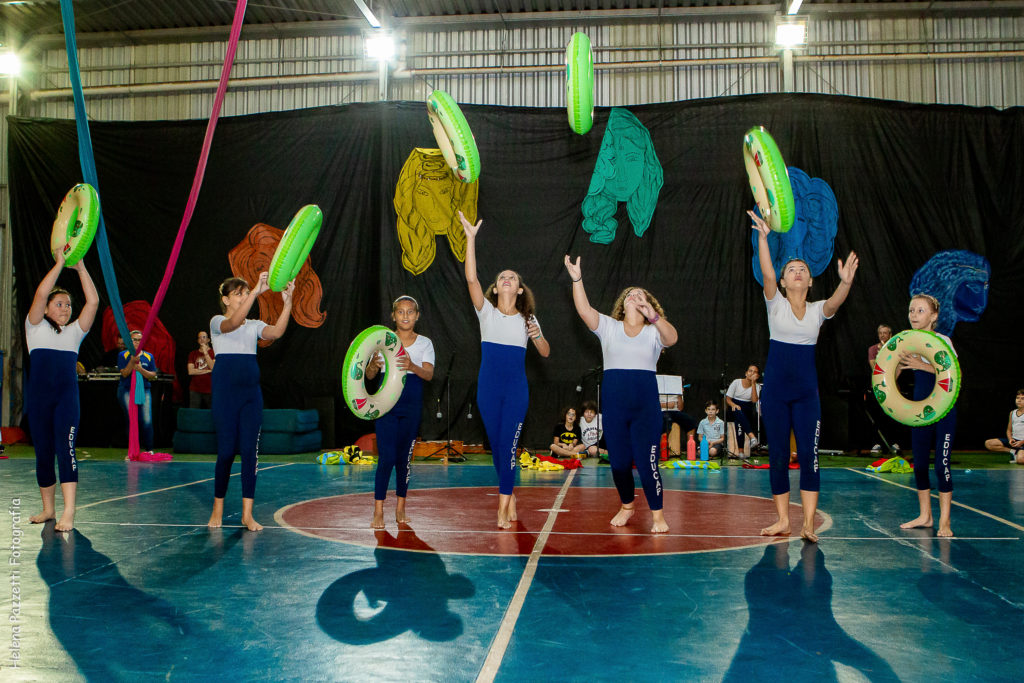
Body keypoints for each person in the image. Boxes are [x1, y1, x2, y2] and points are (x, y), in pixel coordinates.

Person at [750, 209, 858, 543]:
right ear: (783, 282)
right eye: (791, 270)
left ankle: (808, 524)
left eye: (803, 270)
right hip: (776, 395)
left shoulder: (816, 312)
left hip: (806, 396)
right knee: (779, 457)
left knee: (810, 458)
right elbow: (767, 273)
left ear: (810, 282)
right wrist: (763, 239)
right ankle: (783, 520)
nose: (797, 272)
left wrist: (846, 282)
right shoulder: (775, 305)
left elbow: (835, 304)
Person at [564, 255, 678, 533]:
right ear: (622, 304)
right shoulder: (609, 328)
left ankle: (658, 515)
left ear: (648, 303)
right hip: (615, 409)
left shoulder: (653, 331)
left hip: (645, 410)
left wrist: (653, 315)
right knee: (619, 463)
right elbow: (584, 310)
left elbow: (672, 338)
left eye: (639, 294)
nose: (633, 296)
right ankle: (627, 506)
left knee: (649, 462)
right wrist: (577, 279)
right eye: (629, 294)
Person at [460, 211, 550, 529]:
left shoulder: (527, 320)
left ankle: (502, 507)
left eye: (512, 278)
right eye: (501, 278)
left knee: (510, 446)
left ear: (520, 290)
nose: (506, 280)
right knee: (498, 448)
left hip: (515, 390)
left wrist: (536, 335)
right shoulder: (486, 314)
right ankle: (510, 495)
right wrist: (470, 239)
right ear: (496, 290)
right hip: (487, 389)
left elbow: (545, 351)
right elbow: (471, 279)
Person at [207, 272, 294, 532]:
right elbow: (233, 323)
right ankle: (217, 508)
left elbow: (276, 332)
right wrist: (256, 291)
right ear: (226, 299)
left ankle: (247, 514)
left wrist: (287, 302)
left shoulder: (253, 325)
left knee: (249, 453)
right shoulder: (218, 322)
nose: (245, 296)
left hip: (250, 397)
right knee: (225, 453)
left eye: (246, 293)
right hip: (225, 396)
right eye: (239, 294)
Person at [26, 252, 99, 532]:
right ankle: (48, 509)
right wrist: (58, 265)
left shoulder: (74, 333)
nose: (66, 308)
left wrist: (80, 268)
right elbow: (41, 292)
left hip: (66, 402)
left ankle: (69, 511)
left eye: (68, 304)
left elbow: (92, 301)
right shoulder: (35, 327)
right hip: (40, 401)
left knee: (66, 451)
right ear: (46, 308)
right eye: (59, 304)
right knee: (43, 454)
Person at [364, 296, 435, 529]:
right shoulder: (384, 341)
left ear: (417, 316)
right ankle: (378, 511)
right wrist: (373, 365)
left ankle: (401, 507)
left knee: (404, 460)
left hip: (411, 407)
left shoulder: (425, 343)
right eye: (400, 312)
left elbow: (429, 374)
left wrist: (411, 365)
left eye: (410, 312)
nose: (405, 316)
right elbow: (371, 376)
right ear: (393, 316)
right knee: (386, 458)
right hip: (386, 407)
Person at [898, 294, 958, 536]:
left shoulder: (943, 341)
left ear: (933, 316)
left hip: (944, 410)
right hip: (920, 410)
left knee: (941, 466)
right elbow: (891, 378)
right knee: (920, 465)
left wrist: (920, 364)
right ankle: (925, 516)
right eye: (911, 310)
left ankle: (945, 521)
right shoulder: (908, 341)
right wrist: (889, 360)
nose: (913, 314)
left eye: (920, 311)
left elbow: (952, 373)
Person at [117, 329, 158, 454]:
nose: (136, 342)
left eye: (139, 340)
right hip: (127, 390)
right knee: (132, 419)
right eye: (134, 340)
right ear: (129, 341)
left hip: (144, 390)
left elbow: (152, 375)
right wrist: (132, 361)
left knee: (146, 419)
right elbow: (124, 373)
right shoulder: (123, 355)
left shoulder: (148, 356)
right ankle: (132, 450)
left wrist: (140, 369)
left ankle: (149, 449)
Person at [725, 363, 761, 458]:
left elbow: (754, 400)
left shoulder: (757, 386)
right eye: (750, 371)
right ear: (746, 373)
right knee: (738, 413)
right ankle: (752, 437)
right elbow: (728, 399)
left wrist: (753, 383)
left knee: (739, 419)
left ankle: (741, 452)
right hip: (734, 407)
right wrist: (734, 405)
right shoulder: (736, 382)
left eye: (755, 372)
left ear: (757, 376)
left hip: (747, 409)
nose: (752, 373)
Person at [984, 390, 1024, 464]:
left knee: (1021, 460)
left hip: (1022, 443)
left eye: (1022, 398)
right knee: (988, 443)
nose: (1019, 400)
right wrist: (1010, 439)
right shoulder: (1012, 413)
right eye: (1018, 398)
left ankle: (1020, 454)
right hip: (1014, 441)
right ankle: (1014, 452)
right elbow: (1009, 430)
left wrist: (1022, 442)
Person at [187, 330, 215, 408]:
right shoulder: (193, 354)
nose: (201, 339)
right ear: (197, 340)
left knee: (212, 412)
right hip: (195, 389)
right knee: (193, 412)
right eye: (199, 338)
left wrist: (206, 352)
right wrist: (208, 371)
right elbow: (191, 371)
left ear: (208, 340)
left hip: (209, 388)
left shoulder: (214, 352)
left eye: (204, 337)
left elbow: (213, 367)